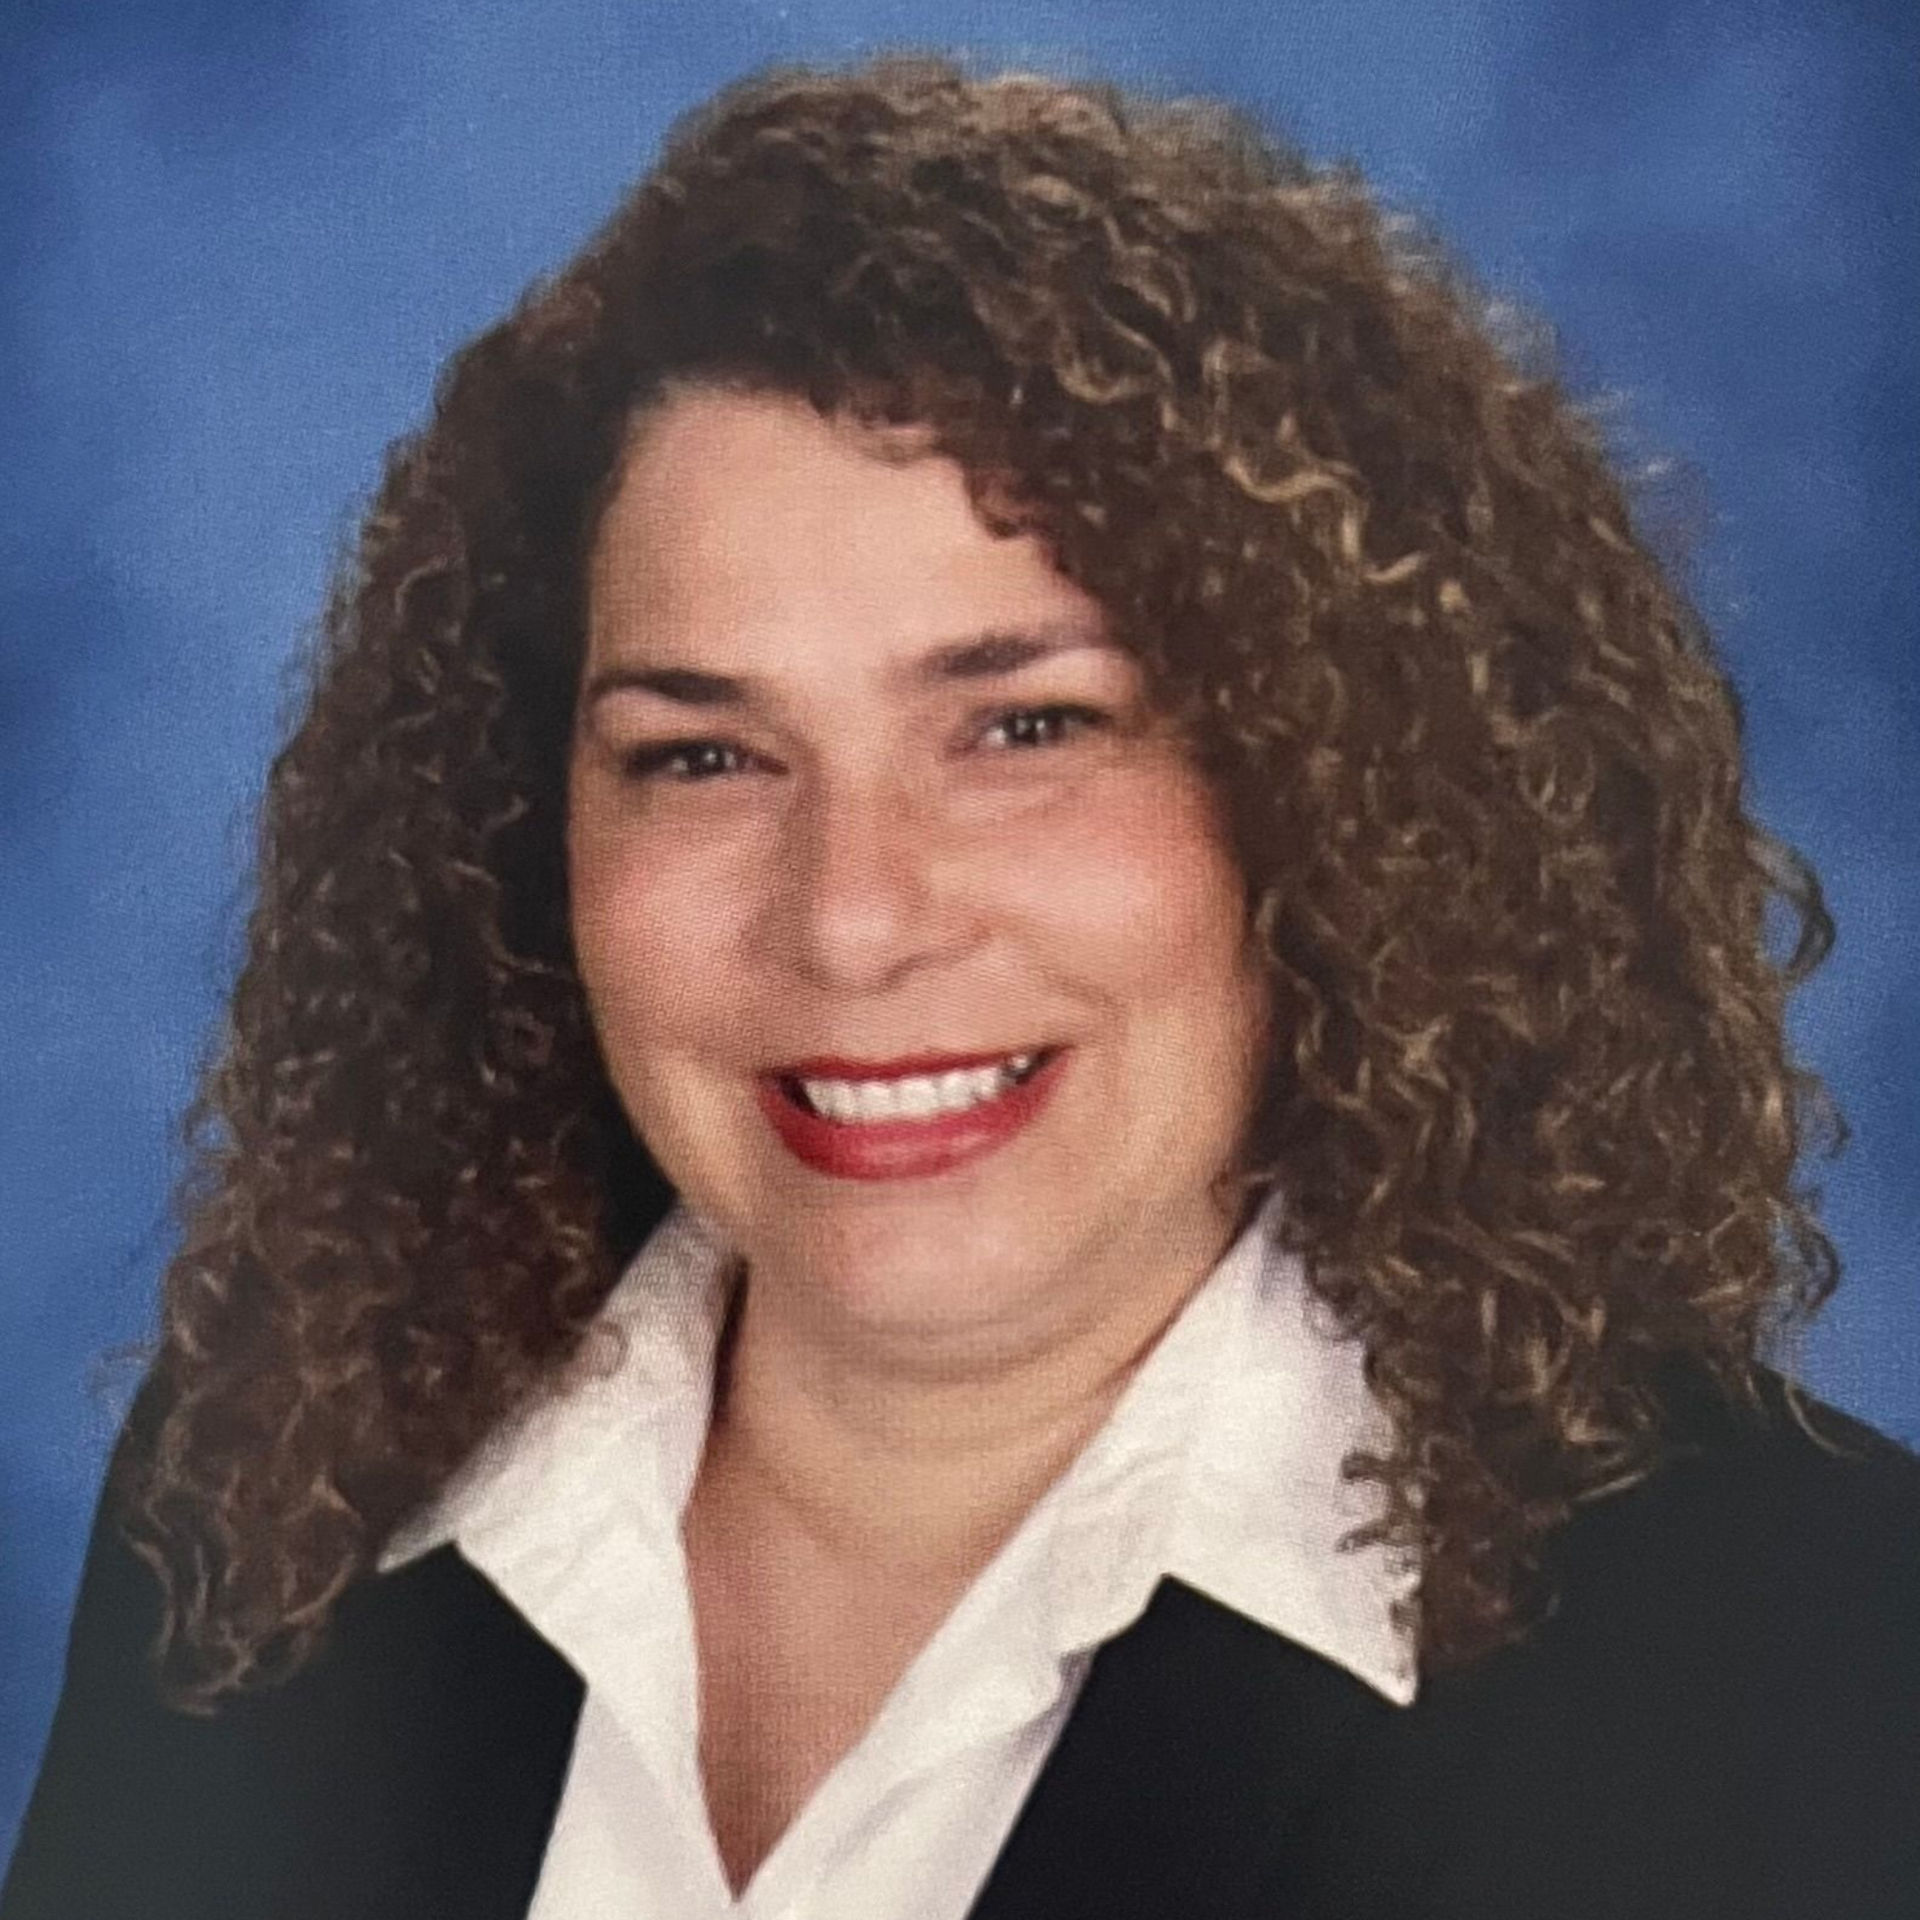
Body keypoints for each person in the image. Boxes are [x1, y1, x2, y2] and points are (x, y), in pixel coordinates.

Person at [4, 51, 1916, 1920]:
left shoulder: (1811, 1663)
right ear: (529, 838)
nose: (852, 919)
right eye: (701, 753)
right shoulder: (281, 1493)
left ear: (1343, 798)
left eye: (1024, 727)